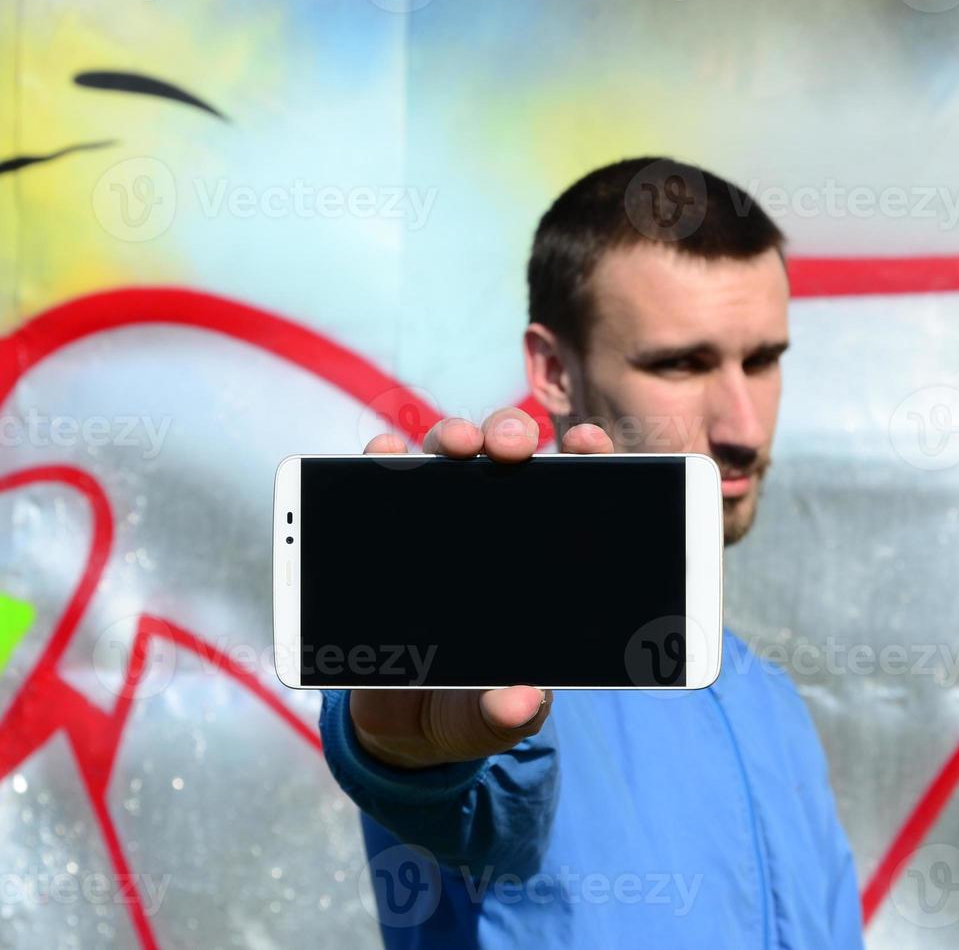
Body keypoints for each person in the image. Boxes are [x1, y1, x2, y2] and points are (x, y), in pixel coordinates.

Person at [319, 158, 864, 948]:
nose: (742, 424)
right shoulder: (505, 656)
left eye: (763, 359)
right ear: (551, 369)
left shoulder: (768, 700)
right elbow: (439, 755)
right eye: (681, 363)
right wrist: (401, 752)